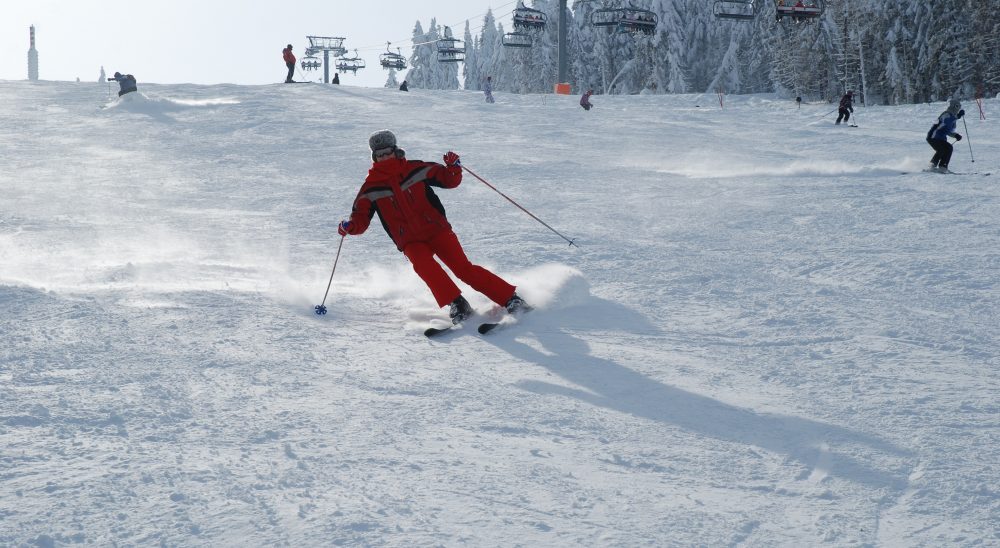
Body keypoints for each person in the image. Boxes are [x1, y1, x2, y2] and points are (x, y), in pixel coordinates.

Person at [337, 130, 530, 324]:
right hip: (410, 240)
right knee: (425, 267)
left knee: (463, 269)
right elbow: (360, 219)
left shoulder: (416, 168)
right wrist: (350, 226)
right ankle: (458, 304)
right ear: (374, 158)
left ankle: (511, 299)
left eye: (387, 152)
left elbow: (448, 180)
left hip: (437, 230)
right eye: (380, 155)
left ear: (395, 151)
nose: (385, 157)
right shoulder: (370, 188)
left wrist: (453, 167)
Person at [927, 99, 964, 173]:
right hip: (933, 136)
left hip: (940, 138)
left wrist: (956, 136)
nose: (958, 109)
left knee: (949, 148)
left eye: (959, 107)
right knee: (941, 150)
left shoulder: (952, 117)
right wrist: (957, 117)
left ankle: (943, 167)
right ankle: (931, 166)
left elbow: (949, 131)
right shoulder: (946, 115)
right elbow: (943, 126)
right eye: (957, 107)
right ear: (953, 106)